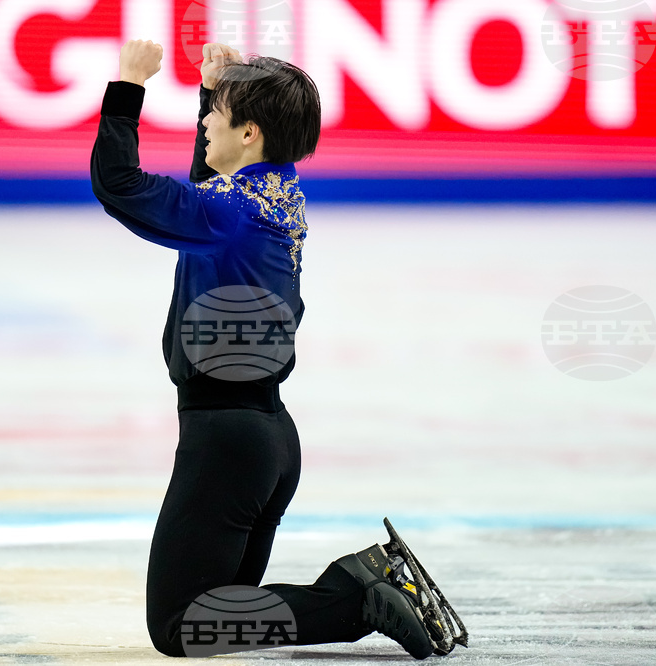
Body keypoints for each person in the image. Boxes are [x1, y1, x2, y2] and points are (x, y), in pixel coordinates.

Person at [91, 39, 439, 659]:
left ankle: (361, 594)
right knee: (221, 611)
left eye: (213, 116)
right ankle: (360, 586)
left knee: (180, 626)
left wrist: (129, 85)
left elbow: (118, 183)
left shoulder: (227, 212)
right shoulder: (277, 194)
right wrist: (214, 88)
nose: (201, 124)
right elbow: (212, 193)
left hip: (225, 443)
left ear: (249, 132)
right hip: (268, 439)